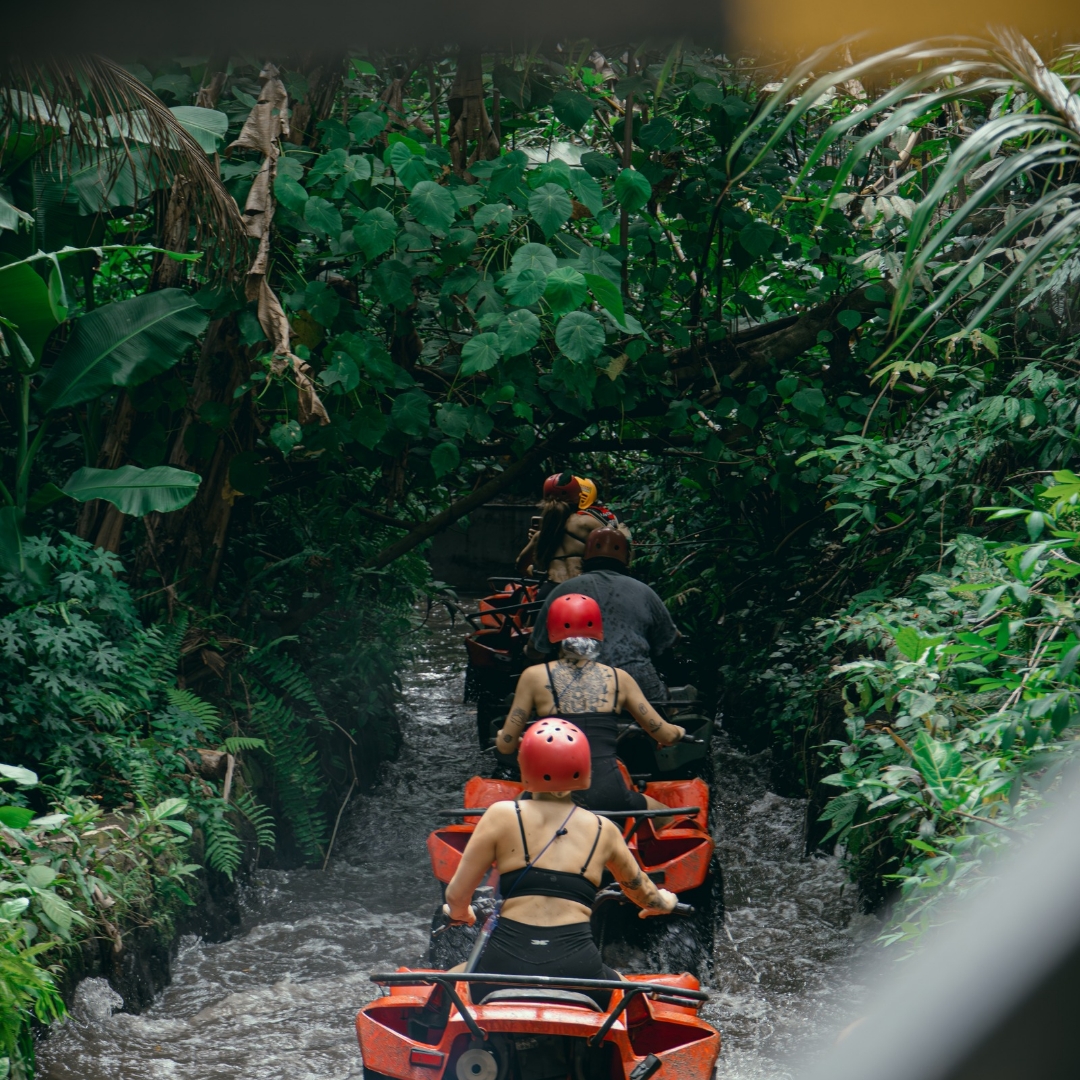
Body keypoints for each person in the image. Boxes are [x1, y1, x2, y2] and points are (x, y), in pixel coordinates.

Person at [442, 719, 678, 1001]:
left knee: (448, 989)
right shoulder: (604, 830)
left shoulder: (500, 815)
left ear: (525, 765)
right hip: (580, 968)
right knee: (632, 1003)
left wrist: (462, 914)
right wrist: (665, 902)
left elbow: (457, 895)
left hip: (503, 964)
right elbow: (646, 896)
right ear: (584, 770)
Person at [494, 594, 684, 816]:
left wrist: (510, 740)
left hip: (548, 794)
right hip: (608, 793)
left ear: (552, 633)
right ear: (598, 632)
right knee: (671, 818)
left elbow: (505, 745)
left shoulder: (533, 677)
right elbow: (666, 736)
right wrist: (678, 731)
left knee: (512, 814)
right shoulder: (618, 678)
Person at [528, 528, 679, 704]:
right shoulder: (644, 592)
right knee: (670, 712)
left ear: (585, 556)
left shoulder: (562, 591)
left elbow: (537, 650)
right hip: (639, 687)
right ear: (626, 558)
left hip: (576, 689)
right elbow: (669, 640)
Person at [515, 473, 603, 591]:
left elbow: (520, 565)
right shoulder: (587, 523)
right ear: (580, 496)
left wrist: (531, 570)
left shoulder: (540, 535)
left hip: (552, 590)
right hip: (583, 589)